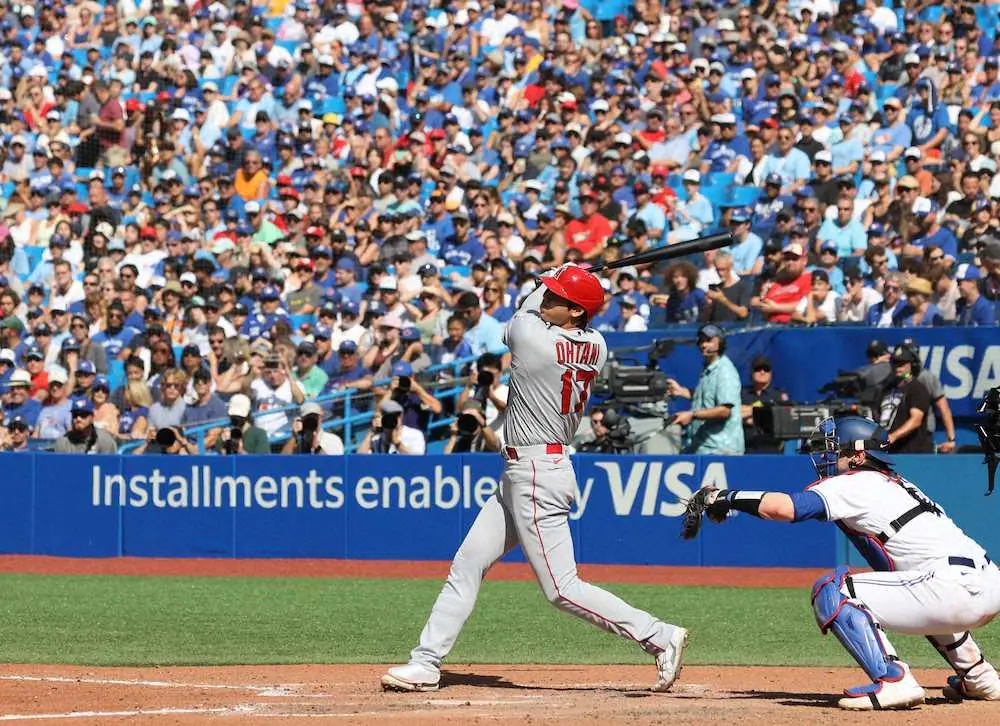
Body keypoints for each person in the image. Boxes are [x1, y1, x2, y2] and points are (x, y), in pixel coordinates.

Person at [381, 264, 687, 694]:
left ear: (578, 312)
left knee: (561, 588)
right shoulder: (596, 344)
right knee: (468, 562)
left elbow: (523, 313)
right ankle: (426, 662)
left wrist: (557, 272)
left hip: (537, 473)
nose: (545, 298)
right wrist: (564, 281)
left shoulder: (531, 336)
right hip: (525, 471)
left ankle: (659, 635)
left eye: (556, 297)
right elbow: (550, 310)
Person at [689, 415, 1000, 710]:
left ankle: (894, 679)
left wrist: (726, 497)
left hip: (952, 586)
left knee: (834, 589)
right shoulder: (898, 484)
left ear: (858, 456)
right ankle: (981, 678)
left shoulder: (855, 482)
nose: (827, 455)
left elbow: (785, 508)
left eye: (835, 449)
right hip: (987, 582)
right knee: (916, 584)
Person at [666, 324, 745, 455]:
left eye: (708, 341)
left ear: (720, 343)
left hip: (720, 449)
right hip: (703, 447)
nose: (703, 345)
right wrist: (681, 391)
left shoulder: (725, 371)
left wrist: (692, 415)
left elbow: (724, 410)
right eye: (701, 341)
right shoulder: (709, 368)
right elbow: (706, 399)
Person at [875, 345, 933, 453]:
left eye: (902, 363)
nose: (898, 367)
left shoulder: (917, 388)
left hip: (911, 452)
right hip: (888, 451)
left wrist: (893, 436)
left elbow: (916, 420)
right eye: (895, 363)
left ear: (912, 365)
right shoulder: (886, 389)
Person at [740, 355, 788, 453]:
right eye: (758, 369)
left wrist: (749, 414)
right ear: (751, 372)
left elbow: (782, 422)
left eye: (766, 369)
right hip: (745, 451)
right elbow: (734, 414)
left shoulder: (779, 396)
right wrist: (764, 413)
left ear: (771, 373)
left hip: (771, 451)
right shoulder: (741, 394)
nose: (762, 372)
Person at [52, 399, 119, 453]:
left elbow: (112, 466)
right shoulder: (63, 442)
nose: (78, 419)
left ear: (92, 418)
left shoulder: (104, 439)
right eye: (75, 415)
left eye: (83, 415)